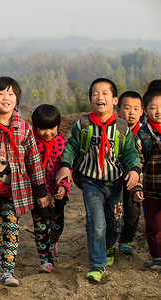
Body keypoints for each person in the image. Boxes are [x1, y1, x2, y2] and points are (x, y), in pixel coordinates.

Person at [56, 78, 141, 282]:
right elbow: (71, 147)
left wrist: (135, 170)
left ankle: (109, 247)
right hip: (91, 182)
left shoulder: (122, 127)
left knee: (116, 222)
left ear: (114, 100)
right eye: (95, 93)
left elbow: (130, 153)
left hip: (116, 182)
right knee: (96, 223)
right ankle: (98, 264)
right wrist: (66, 166)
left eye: (105, 93)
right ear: (91, 100)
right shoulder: (83, 124)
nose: (99, 97)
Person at [0, 77, 47, 287]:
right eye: (1, 93)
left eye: (11, 94)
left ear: (17, 99)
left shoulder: (24, 128)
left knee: (12, 229)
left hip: (16, 190)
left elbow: (33, 161)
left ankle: (8, 270)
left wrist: (40, 191)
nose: (6, 98)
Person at [30, 104, 71, 273]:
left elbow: (67, 168)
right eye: (42, 129)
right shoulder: (30, 145)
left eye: (51, 128)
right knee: (41, 228)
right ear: (35, 127)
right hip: (39, 194)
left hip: (57, 194)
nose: (47, 133)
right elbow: (30, 170)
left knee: (57, 226)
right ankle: (45, 260)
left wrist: (62, 187)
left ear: (58, 126)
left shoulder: (63, 144)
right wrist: (41, 191)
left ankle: (53, 242)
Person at [133, 87, 161, 270]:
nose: (158, 111)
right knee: (154, 225)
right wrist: (137, 187)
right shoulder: (142, 134)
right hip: (152, 189)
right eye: (153, 107)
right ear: (145, 109)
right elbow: (138, 163)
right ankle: (157, 256)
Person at [115, 91, 144, 255]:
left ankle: (126, 241)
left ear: (142, 111)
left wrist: (138, 185)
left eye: (135, 109)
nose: (131, 112)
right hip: (114, 179)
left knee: (133, 212)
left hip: (136, 182)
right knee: (113, 213)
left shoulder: (144, 133)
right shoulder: (114, 130)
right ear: (118, 110)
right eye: (127, 108)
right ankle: (110, 241)